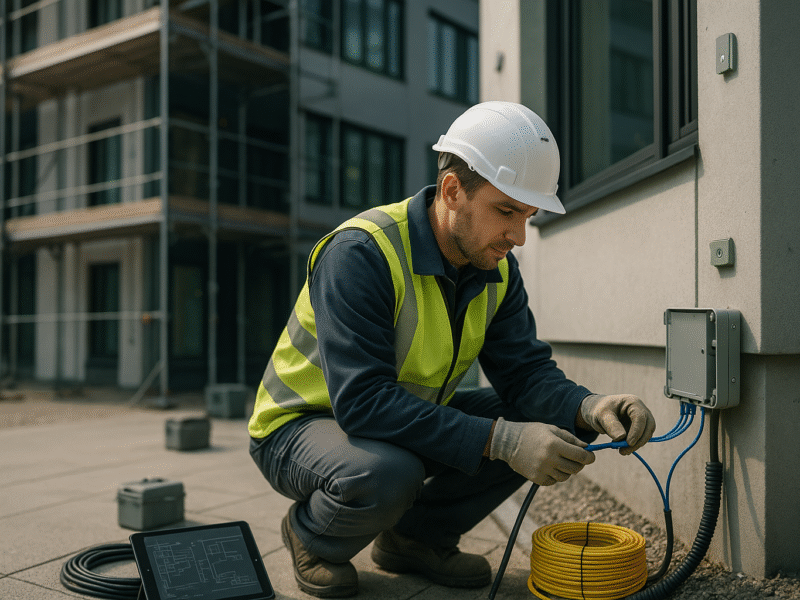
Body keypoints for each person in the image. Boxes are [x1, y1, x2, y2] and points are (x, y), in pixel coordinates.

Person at [248, 101, 656, 598]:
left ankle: (415, 539)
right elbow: (363, 403)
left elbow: (524, 375)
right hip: (299, 426)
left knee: (551, 420)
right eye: (506, 211)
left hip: (393, 417)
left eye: (527, 216)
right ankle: (310, 535)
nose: (518, 236)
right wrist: (504, 442)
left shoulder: (497, 268)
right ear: (451, 190)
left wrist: (590, 407)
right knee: (388, 473)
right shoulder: (361, 254)